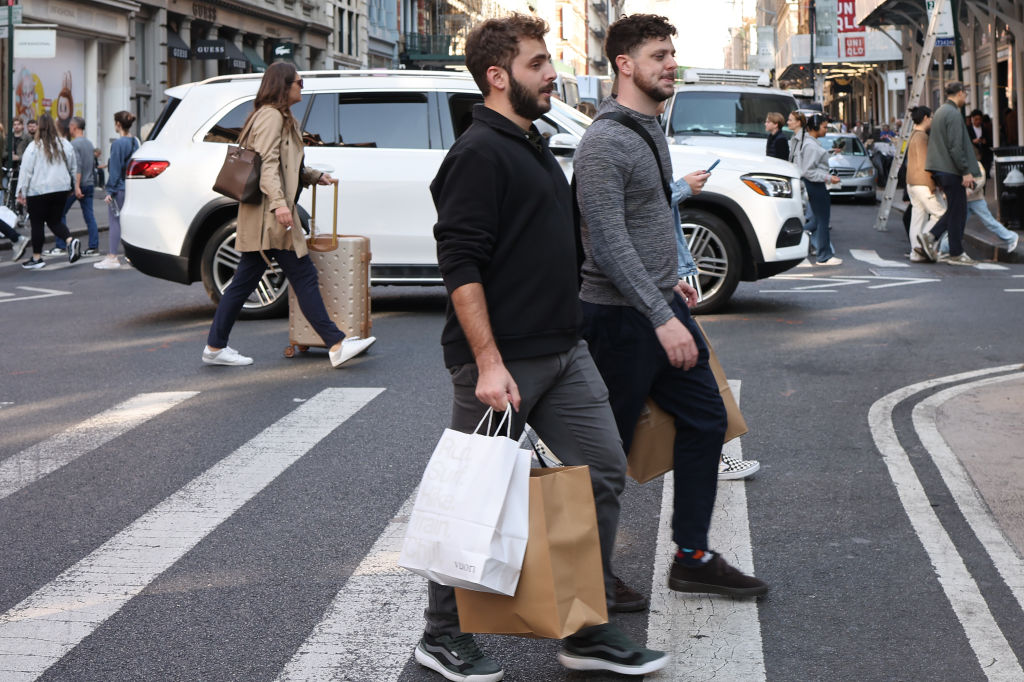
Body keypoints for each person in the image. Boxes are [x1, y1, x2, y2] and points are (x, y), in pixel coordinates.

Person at [419, 14, 668, 681]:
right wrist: (490, 363)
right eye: (537, 63)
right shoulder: (477, 154)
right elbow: (461, 268)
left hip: (564, 348)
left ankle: (586, 629)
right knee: (475, 493)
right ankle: (440, 634)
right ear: (498, 77)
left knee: (603, 469)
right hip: (504, 358)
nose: (552, 73)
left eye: (548, 61)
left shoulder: (530, 141)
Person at [574, 12, 768, 608]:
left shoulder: (649, 126)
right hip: (620, 318)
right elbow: (605, 242)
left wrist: (672, 283)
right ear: (624, 65)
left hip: (658, 303)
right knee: (604, 455)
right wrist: (659, 317)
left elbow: (651, 217)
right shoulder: (604, 141)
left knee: (707, 420)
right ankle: (587, 576)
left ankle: (692, 557)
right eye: (659, 55)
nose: (670, 64)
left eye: (670, 54)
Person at [200, 63, 375, 368]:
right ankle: (336, 344)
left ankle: (215, 347)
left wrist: (314, 175)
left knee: (245, 280)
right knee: (302, 274)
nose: (302, 87)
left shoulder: (280, 117)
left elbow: (286, 165)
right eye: (299, 82)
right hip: (270, 214)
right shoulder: (270, 117)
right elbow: (267, 165)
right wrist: (280, 205)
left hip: (266, 213)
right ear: (284, 86)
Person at [917, 82, 982, 266]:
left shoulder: (940, 112)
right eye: (965, 95)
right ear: (960, 93)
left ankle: (938, 241)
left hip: (941, 168)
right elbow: (956, 146)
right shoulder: (953, 114)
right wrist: (965, 171)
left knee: (956, 209)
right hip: (951, 169)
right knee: (958, 210)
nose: (965, 98)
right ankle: (951, 249)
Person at [15, 113, 81, 269]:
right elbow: (73, 166)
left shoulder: (34, 147)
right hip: (60, 189)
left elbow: (26, 172)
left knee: (37, 224)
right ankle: (70, 241)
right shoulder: (65, 144)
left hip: (38, 191)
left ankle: (37, 258)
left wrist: (21, 192)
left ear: (39, 127)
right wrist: (73, 185)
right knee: (54, 221)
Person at [789, 111, 842, 265]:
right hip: (816, 185)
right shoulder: (811, 145)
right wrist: (828, 177)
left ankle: (797, 238)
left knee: (817, 221)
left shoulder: (810, 142)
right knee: (822, 221)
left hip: (815, 185)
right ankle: (824, 256)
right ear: (816, 127)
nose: (826, 130)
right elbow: (808, 171)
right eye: (824, 127)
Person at [95, 111, 139, 269]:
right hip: (131, 186)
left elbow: (114, 170)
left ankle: (112, 256)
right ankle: (134, 256)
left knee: (115, 222)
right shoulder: (135, 141)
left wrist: (109, 191)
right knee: (129, 222)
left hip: (119, 187)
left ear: (118, 124)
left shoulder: (118, 144)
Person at [50, 117, 99, 256]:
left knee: (59, 214)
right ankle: (93, 247)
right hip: (89, 184)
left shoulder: (74, 144)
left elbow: (78, 167)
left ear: (74, 127)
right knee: (90, 217)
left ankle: (61, 245)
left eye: (70, 126)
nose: (69, 129)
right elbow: (91, 165)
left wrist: (76, 186)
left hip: (78, 185)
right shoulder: (89, 144)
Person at [905, 106, 946, 263]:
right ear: (925, 118)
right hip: (923, 183)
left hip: (912, 183)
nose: (932, 120)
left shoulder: (913, 135)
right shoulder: (922, 137)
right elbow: (926, 163)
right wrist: (933, 184)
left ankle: (916, 252)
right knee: (941, 213)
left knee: (918, 218)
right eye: (931, 117)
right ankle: (925, 241)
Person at [968, 109, 993, 176]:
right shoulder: (968, 129)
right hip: (974, 157)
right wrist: (972, 141)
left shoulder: (985, 128)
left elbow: (990, 141)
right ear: (972, 119)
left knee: (984, 176)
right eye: (976, 119)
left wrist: (985, 141)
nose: (978, 121)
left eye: (979, 119)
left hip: (984, 157)